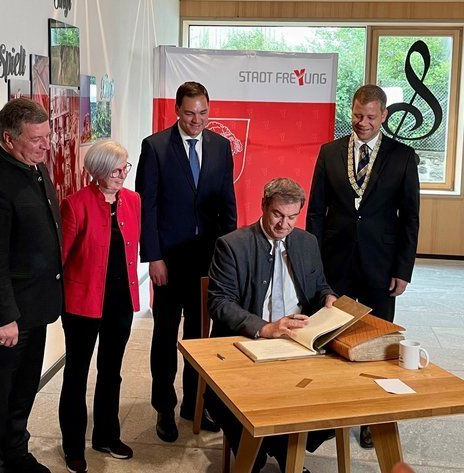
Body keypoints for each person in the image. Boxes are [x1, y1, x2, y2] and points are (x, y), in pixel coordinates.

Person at [306, 84, 420, 449]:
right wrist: (312, 263)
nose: (363, 123)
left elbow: (410, 218)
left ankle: (373, 417)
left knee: (378, 340)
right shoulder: (329, 152)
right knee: (330, 334)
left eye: (371, 116)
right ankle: (329, 408)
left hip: (380, 264)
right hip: (334, 261)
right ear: (351, 111)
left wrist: (403, 269)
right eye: (357, 115)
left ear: (384, 115)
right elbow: (315, 212)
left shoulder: (403, 157)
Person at [207, 178, 336, 473]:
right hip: (248, 343)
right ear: (263, 206)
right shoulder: (232, 245)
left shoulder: (307, 242)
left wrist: (328, 297)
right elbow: (219, 303)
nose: (284, 225)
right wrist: (266, 328)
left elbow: (319, 286)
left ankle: (282, 451)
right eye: (278, 214)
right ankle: (273, 455)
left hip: (298, 342)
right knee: (240, 403)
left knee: (334, 398)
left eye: (292, 217)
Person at [135, 81, 236, 441]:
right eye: (190, 113)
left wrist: (229, 255)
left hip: (207, 259)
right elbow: (147, 206)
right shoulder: (155, 147)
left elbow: (227, 203)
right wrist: (153, 257)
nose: (197, 120)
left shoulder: (221, 146)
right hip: (169, 260)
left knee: (199, 337)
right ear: (177, 110)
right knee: (165, 334)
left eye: (203, 112)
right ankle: (164, 406)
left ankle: (194, 404)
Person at [0, 98, 63, 473]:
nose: (45, 145)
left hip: (35, 308)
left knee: (23, 390)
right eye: (36, 139)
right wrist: (5, 316)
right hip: (9, 316)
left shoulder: (33, 167)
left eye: (47, 136)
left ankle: (16, 454)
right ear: (8, 138)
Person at [58, 140, 141, 473]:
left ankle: (106, 436)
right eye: (116, 169)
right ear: (99, 171)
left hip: (120, 303)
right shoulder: (75, 204)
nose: (122, 174)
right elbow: (62, 257)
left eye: (125, 168)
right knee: (76, 374)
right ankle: (73, 446)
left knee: (111, 371)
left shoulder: (133, 201)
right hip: (81, 304)